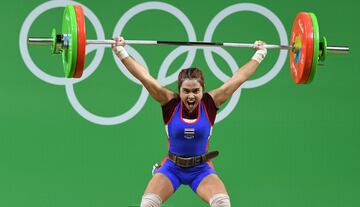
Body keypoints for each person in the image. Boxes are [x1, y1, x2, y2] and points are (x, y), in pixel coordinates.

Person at [112, 37, 267, 207]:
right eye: (186, 91)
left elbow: (239, 78)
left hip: (201, 170)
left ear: (203, 90)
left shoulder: (211, 102)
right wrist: (121, 51)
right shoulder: (170, 102)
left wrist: (260, 54)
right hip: (172, 168)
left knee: (222, 204)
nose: (191, 96)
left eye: (196, 91)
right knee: (147, 204)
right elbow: (144, 77)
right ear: (179, 91)